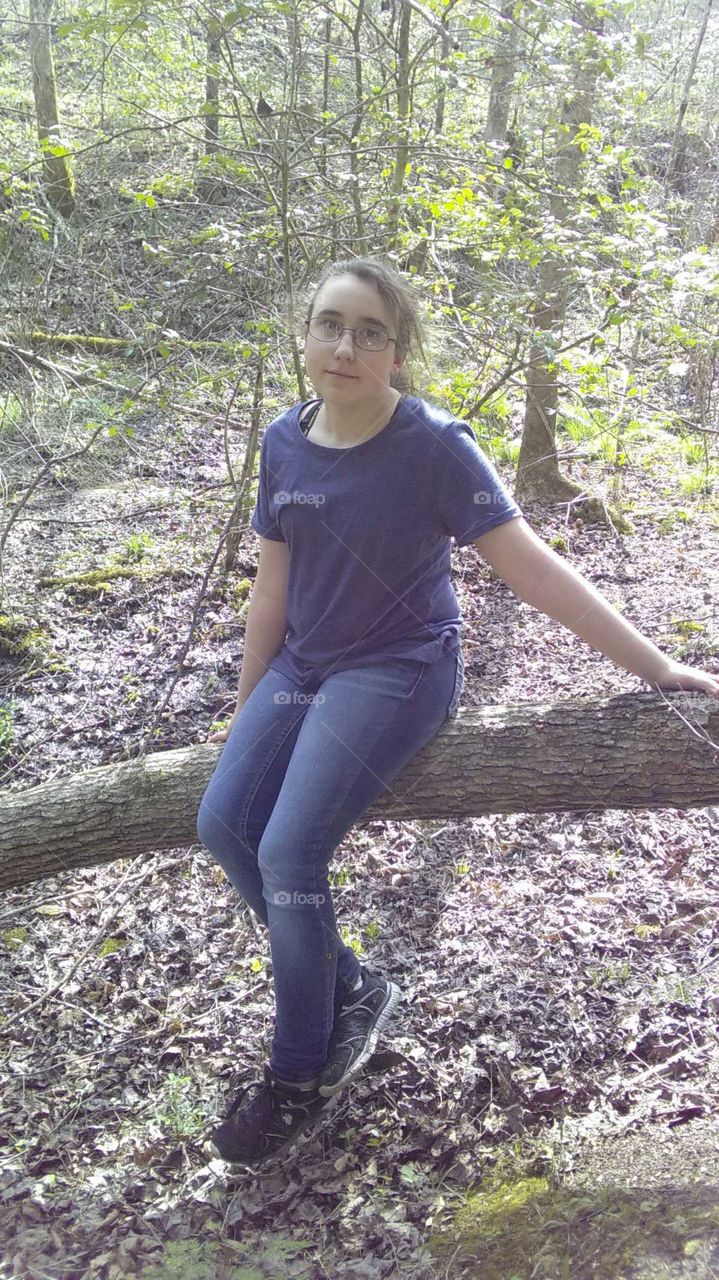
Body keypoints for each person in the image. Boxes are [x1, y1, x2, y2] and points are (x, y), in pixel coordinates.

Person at [196, 256, 719, 1168]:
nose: (344, 346)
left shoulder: (433, 442)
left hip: (400, 666)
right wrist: (248, 716)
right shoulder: (284, 442)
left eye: (369, 332)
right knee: (224, 823)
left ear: (398, 353)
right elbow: (270, 591)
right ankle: (351, 989)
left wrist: (657, 664)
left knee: (287, 849)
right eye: (329, 324)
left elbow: (531, 568)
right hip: (304, 663)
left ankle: (296, 1075)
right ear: (304, 334)